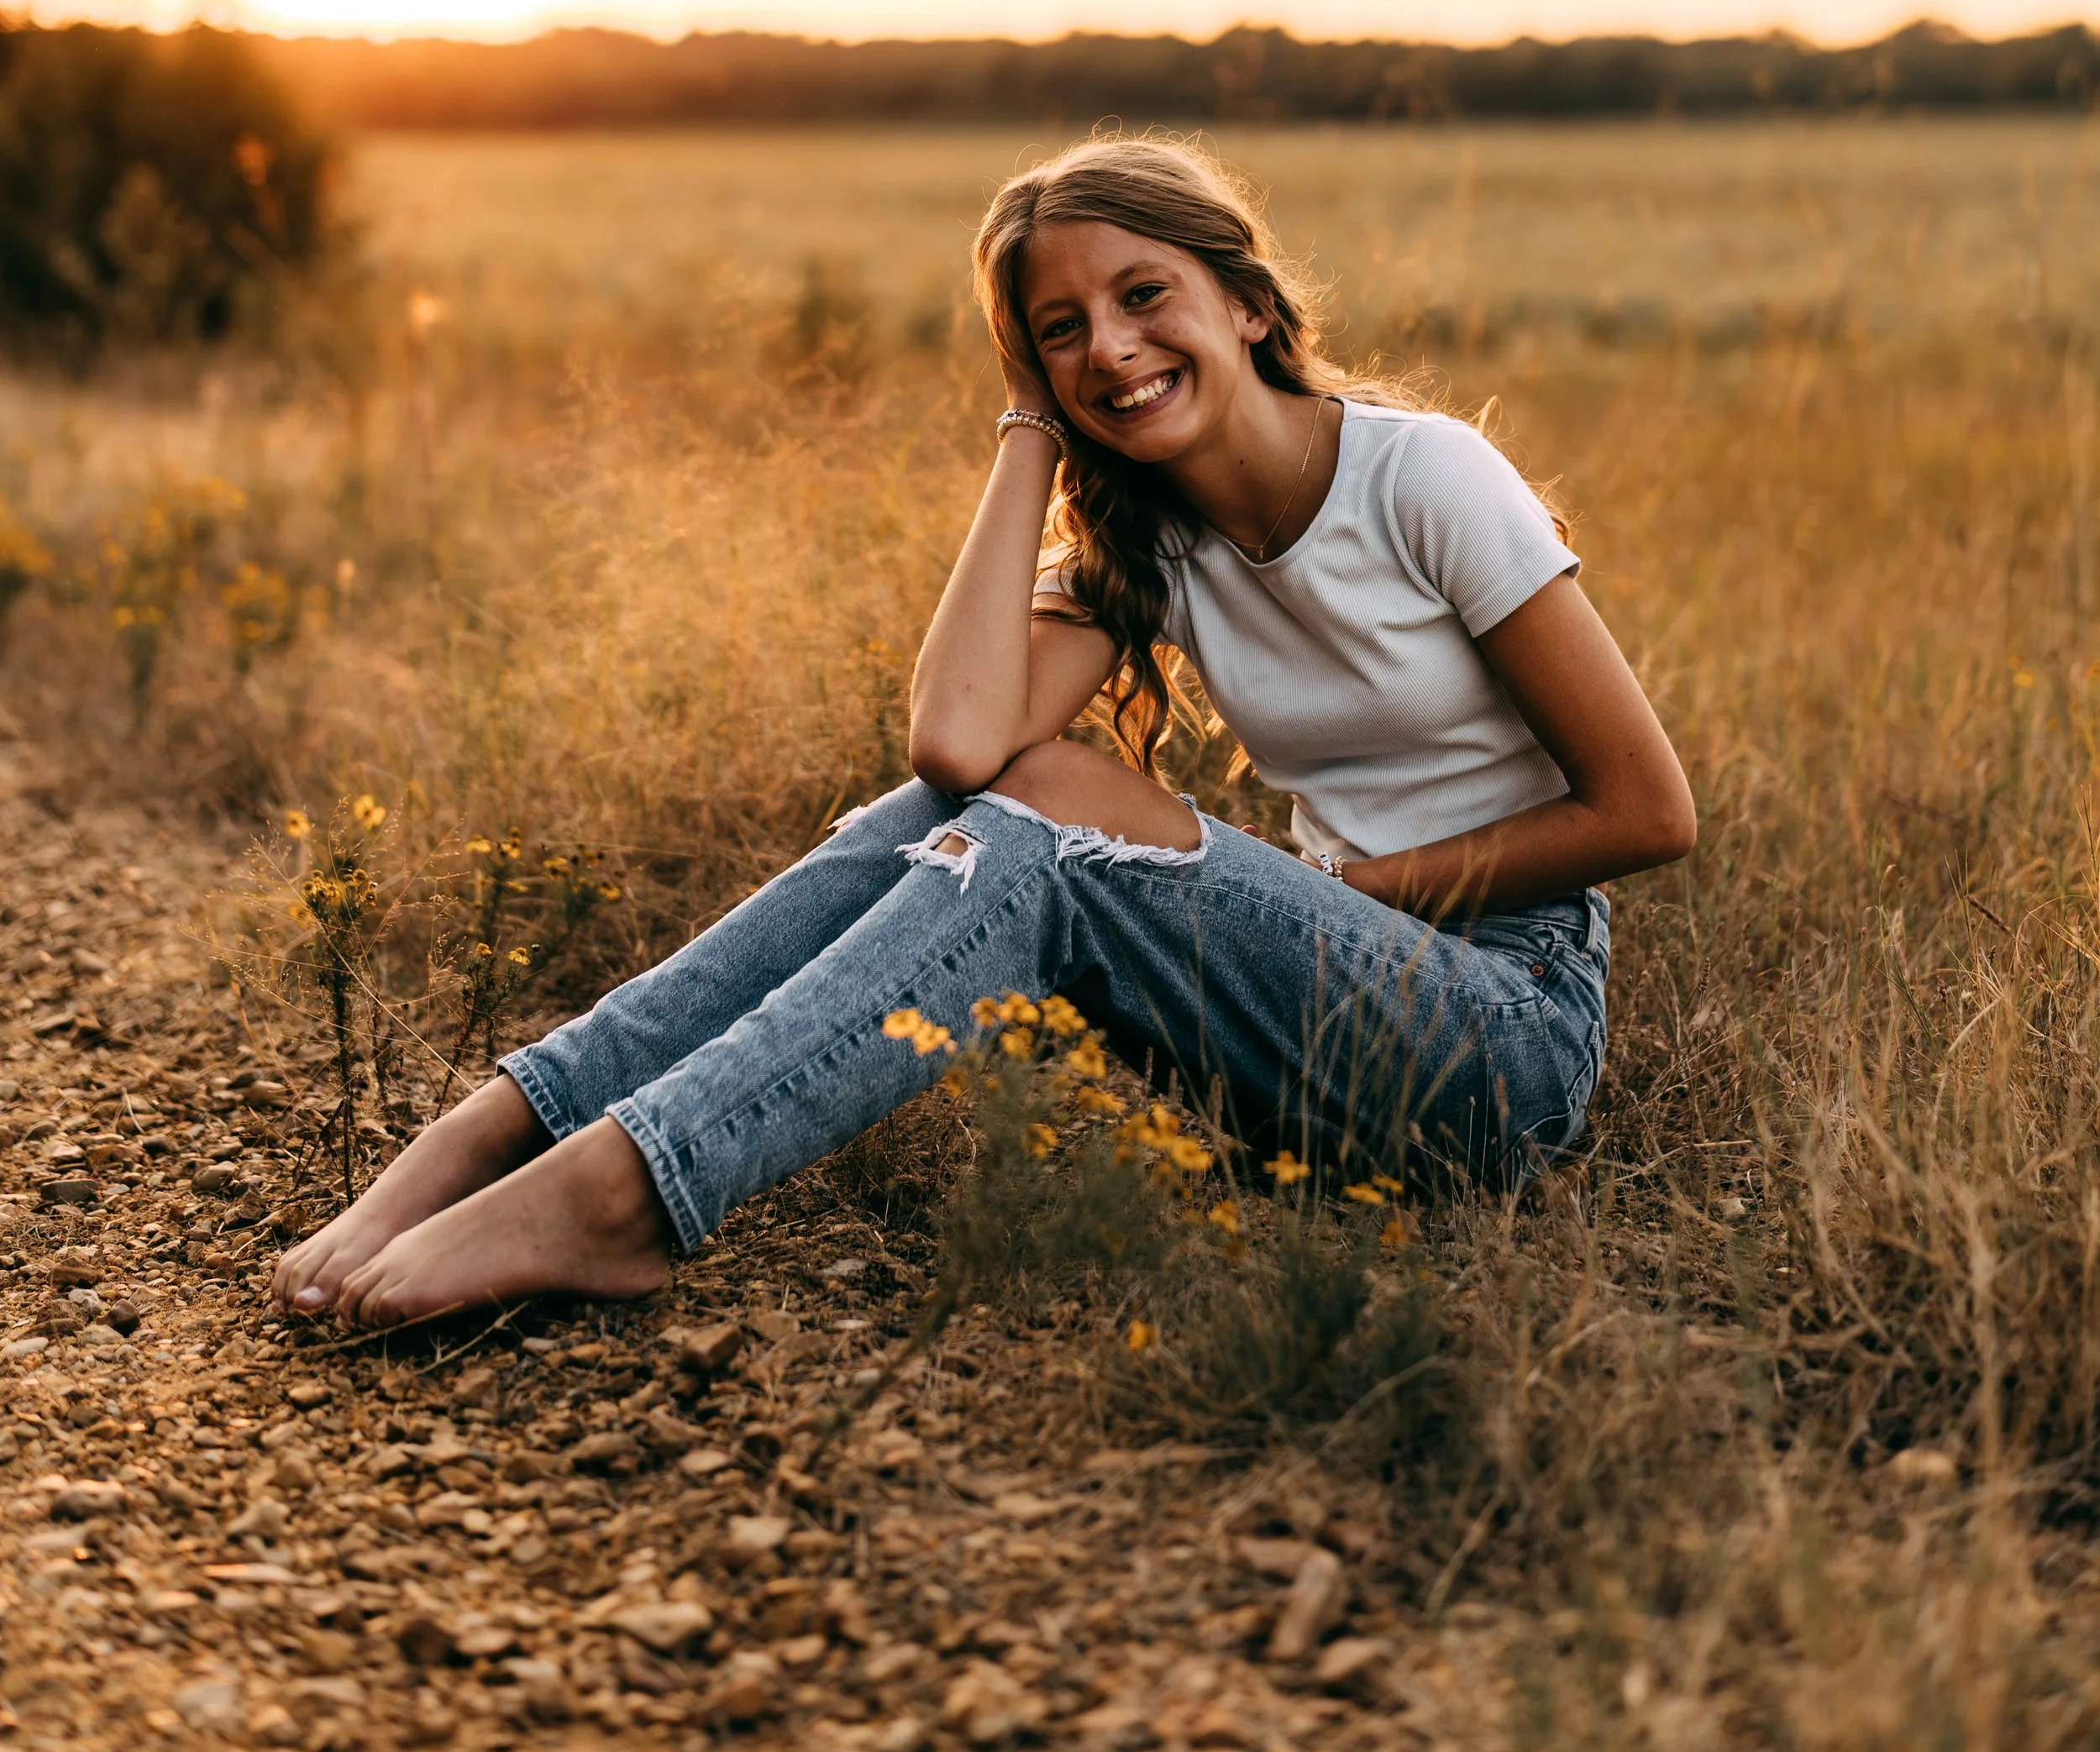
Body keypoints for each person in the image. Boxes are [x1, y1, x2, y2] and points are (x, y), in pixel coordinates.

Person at [273, 138, 1694, 1333]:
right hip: (1317, 1034)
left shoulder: (1424, 476)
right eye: (1061, 329)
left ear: (1250, 302)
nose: (1112, 348)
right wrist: (1030, 429)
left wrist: (1331, 900)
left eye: (1145, 296)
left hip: (1504, 1035)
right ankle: (510, 1125)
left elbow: (1647, 810)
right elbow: (955, 744)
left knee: (1043, 841)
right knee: (962, 811)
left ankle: (620, 1190)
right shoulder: (1153, 535)